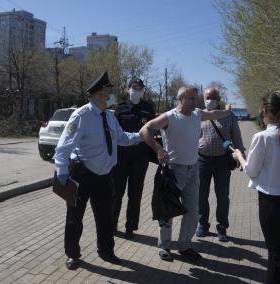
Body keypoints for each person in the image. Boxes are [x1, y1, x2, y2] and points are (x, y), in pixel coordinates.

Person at [54, 71, 143, 270]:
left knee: (105, 217)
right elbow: (64, 146)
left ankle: (106, 251)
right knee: (74, 218)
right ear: (98, 95)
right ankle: (73, 254)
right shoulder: (82, 115)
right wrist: (61, 171)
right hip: (82, 175)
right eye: (108, 91)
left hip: (104, 177)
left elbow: (122, 138)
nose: (111, 95)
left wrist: (141, 135)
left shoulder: (110, 116)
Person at [139, 85, 232, 262]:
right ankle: (164, 246)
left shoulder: (197, 114)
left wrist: (226, 112)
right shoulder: (169, 117)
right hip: (174, 170)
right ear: (180, 99)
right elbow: (145, 129)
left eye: (195, 98)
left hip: (193, 169)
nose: (194, 101)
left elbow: (213, 115)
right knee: (168, 210)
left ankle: (185, 245)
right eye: (190, 98)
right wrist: (158, 148)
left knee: (192, 211)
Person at [232, 93, 280, 284]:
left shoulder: (263, 137)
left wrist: (239, 156)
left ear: (264, 110)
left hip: (270, 202)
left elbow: (252, 171)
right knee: (275, 249)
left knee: (278, 253)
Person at [196, 87, 245, 242]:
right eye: (207, 97)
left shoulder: (229, 116)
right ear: (203, 98)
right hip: (202, 160)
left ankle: (222, 226)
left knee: (222, 195)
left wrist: (240, 154)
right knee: (200, 194)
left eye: (212, 97)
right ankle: (202, 224)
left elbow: (236, 136)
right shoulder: (199, 115)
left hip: (223, 161)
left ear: (218, 99)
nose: (209, 100)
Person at [112, 77, 156, 239]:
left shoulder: (148, 108)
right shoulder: (120, 108)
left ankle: (130, 227)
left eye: (140, 87)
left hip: (140, 157)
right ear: (127, 89)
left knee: (135, 192)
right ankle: (112, 223)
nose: (137, 90)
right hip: (121, 156)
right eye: (134, 87)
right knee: (117, 192)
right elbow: (114, 132)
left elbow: (152, 130)